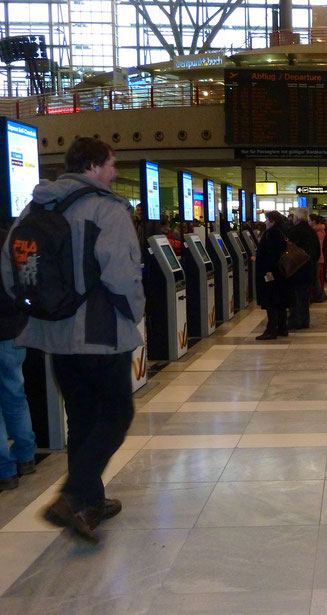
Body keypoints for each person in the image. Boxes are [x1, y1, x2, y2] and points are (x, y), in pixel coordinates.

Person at [1, 137, 144, 542]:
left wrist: (40, 311)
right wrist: (134, 313)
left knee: (82, 416)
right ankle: (71, 495)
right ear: (95, 165)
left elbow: (10, 268)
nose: (116, 173)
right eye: (113, 165)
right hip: (100, 333)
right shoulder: (106, 209)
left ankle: (90, 503)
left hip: (54, 333)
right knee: (117, 415)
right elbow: (122, 273)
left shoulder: (35, 207)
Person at [0, 228, 36, 492]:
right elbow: (28, 278)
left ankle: (5, 470)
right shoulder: (11, 239)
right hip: (13, 330)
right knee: (15, 394)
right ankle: (26, 457)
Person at [255, 211, 288, 340]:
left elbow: (270, 254)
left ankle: (271, 330)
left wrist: (268, 271)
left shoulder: (271, 234)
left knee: (271, 300)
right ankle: (282, 327)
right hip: (279, 272)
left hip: (271, 273)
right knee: (279, 300)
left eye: (267, 220)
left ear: (273, 221)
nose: (265, 222)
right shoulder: (281, 232)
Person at [287, 208, 320, 330]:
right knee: (305, 296)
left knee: (296, 296)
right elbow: (317, 251)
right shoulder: (311, 232)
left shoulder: (295, 232)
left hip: (297, 269)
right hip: (309, 268)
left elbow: (288, 252)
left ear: (296, 218)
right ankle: (305, 321)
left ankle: (295, 321)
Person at [308, 214, 327, 303]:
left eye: (309, 220)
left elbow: (318, 247)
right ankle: (319, 294)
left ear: (314, 221)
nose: (308, 222)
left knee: (316, 278)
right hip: (318, 257)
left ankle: (319, 295)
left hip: (318, 257)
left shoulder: (319, 232)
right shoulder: (318, 231)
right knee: (316, 277)